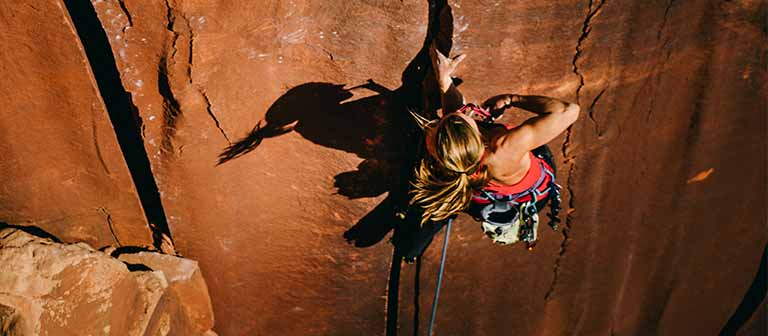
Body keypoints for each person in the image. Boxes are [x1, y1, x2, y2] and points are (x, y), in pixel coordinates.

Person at [404, 44, 580, 252]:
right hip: (527, 194)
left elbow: (454, 120)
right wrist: (512, 99)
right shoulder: (505, 147)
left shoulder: (443, 150)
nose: (467, 111)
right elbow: (569, 111)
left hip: (477, 197)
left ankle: (410, 247)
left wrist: (444, 80)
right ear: (475, 135)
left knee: (447, 204)